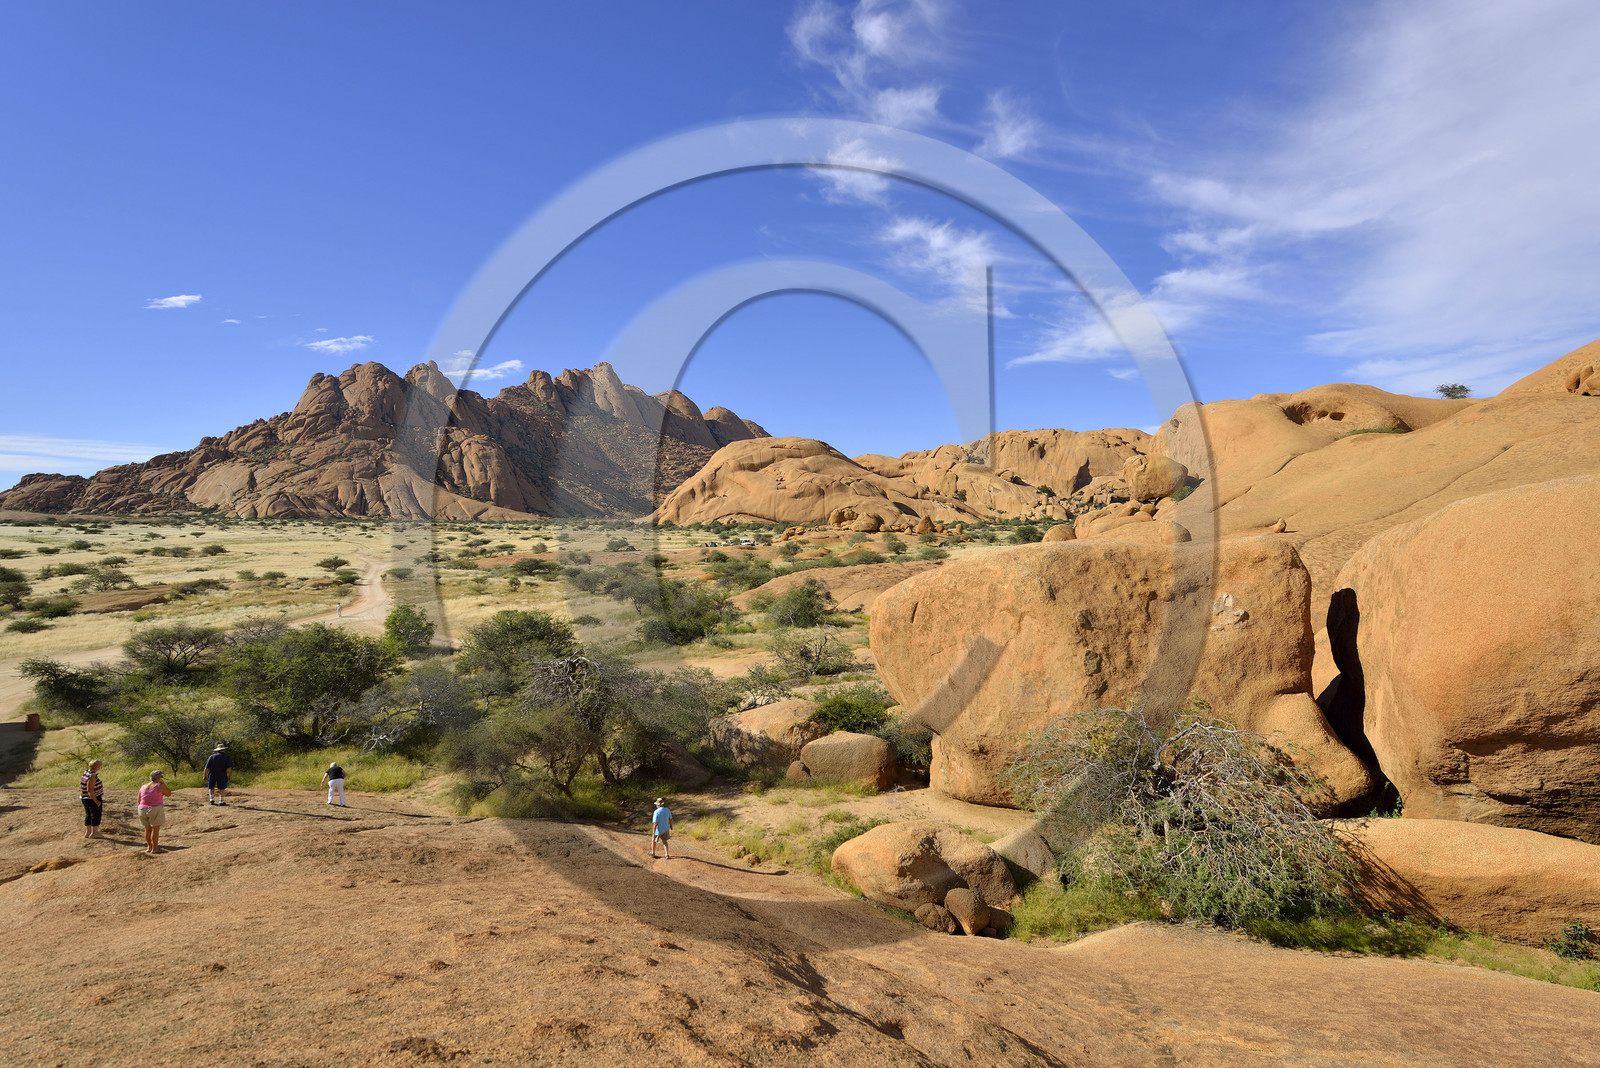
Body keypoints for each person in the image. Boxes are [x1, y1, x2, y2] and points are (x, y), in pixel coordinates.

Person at [137, 770, 172, 855]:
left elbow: (139, 800)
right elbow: (168, 793)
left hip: (142, 809)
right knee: (155, 830)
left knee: (147, 829)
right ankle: (155, 848)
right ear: (159, 778)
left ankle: (149, 847)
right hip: (154, 808)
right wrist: (163, 785)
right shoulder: (159, 785)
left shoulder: (143, 786)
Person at [79, 759, 104, 838]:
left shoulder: (85, 773)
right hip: (92, 798)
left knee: (88, 814)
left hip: (84, 797)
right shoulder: (92, 776)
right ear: (96, 767)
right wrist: (96, 801)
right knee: (95, 815)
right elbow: (90, 790)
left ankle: (88, 832)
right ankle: (94, 833)